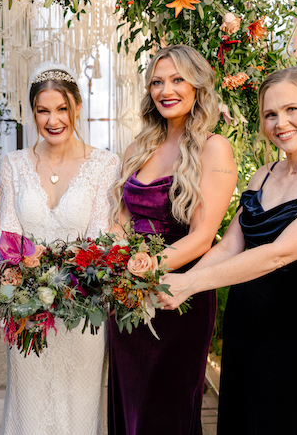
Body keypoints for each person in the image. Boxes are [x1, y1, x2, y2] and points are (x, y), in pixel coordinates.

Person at [159, 66, 297, 433]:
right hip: (245, 329)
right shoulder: (263, 175)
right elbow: (228, 247)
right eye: (270, 114)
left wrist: (190, 285)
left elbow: (279, 253)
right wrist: (177, 282)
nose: (280, 123)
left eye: (292, 110)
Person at [107, 44, 237, 435]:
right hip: (127, 298)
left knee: (168, 410)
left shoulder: (214, 148)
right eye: (158, 82)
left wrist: (145, 273)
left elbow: (202, 237)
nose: (167, 90)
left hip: (179, 297)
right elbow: (120, 221)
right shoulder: (137, 148)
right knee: (130, 404)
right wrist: (119, 270)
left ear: (198, 85)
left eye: (178, 79)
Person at [0, 62, 120, 435]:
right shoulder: (13, 164)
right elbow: (8, 236)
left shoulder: (104, 164)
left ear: (77, 108)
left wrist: (66, 283)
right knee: (28, 405)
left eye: (62, 109)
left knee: (80, 407)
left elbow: (99, 240)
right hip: (27, 309)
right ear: (32, 112)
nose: (53, 119)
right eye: (43, 110)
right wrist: (24, 286)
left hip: (81, 308)